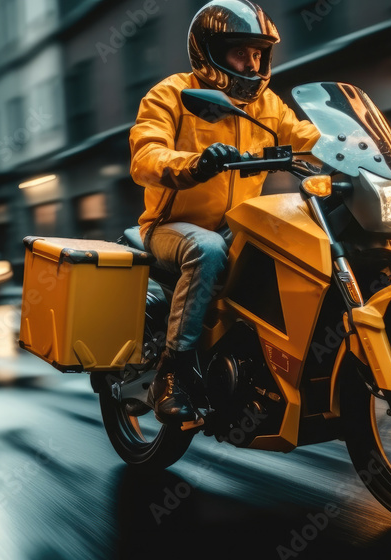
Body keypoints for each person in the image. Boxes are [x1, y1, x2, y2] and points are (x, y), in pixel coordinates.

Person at [129, 0, 319, 425]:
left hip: (239, 225)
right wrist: (194, 164)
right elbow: (146, 155)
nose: (252, 64)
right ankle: (172, 374)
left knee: (295, 239)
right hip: (171, 229)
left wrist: (358, 149)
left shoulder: (267, 105)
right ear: (210, 52)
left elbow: (305, 135)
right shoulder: (171, 94)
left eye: (258, 54)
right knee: (208, 248)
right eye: (241, 52)